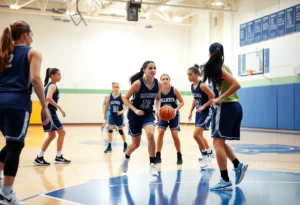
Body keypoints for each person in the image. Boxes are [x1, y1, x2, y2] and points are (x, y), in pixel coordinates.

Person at [0, 21, 50, 204]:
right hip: (17, 103)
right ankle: (7, 193)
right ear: (25, 35)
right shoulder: (32, 52)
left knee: (14, 145)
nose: (32, 38)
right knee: (14, 146)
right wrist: (44, 106)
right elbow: (36, 79)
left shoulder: (3, 52)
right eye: (32, 35)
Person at [201, 42, 248, 190]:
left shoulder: (220, 69)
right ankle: (237, 165)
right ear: (222, 53)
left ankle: (225, 180)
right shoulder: (220, 68)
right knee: (219, 142)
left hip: (226, 107)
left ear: (210, 53)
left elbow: (236, 84)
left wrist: (219, 98)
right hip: (232, 108)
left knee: (217, 143)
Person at [121, 61, 162, 176]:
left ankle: (152, 165)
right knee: (136, 144)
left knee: (150, 134)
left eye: (155, 68)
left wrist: (157, 109)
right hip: (134, 115)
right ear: (144, 70)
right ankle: (126, 157)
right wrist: (135, 110)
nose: (153, 70)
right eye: (150, 68)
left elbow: (158, 98)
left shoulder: (157, 83)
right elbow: (125, 99)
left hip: (148, 113)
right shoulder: (138, 84)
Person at [33, 68, 71, 165]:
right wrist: (60, 108)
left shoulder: (50, 85)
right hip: (50, 113)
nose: (60, 76)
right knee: (62, 133)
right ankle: (58, 157)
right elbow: (48, 98)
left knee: (52, 135)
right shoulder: (52, 86)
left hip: (47, 112)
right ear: (52, 76)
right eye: (58, 74)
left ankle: (40, 157)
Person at [187, 64, 215, 168]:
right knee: (200, 135)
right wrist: (190, 111)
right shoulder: (192, 86)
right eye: (187, 75)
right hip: (198, 113)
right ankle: (209, 152)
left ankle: (206, 157)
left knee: (196, 135)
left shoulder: (202, 85)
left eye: (190, 75)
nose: (188, 77)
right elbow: (195, 98)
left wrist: (203, 107)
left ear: (197, 74)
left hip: (206, 112)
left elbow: (213, 98)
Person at [155, 74, 184, 165]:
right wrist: (157, 111)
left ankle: (179, 154)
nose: (165, 80)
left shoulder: (174, 90)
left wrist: (175, 109)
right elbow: (156, 102)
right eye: (163, 79)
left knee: (175, 135)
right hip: (163, 115)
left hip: (173, 115)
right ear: (160, 81)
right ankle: (158, 155)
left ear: (169, 80)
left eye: (167, 79)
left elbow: (182, 102)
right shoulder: (158, 91)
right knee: (160, 133)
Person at [103, 82, 128, 153]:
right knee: (110, 129)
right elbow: (106, 105)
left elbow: (126, 106)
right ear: (112, 88)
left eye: (117, 87)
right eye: (114, 87)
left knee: (120, 131)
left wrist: (122, 111)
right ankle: (109, 146)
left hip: (119, 116)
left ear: (119, 88)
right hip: (112, 115)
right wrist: (104, 115)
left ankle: (125, 144)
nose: (116, 88)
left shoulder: (122, 96)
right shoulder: (109, 96)